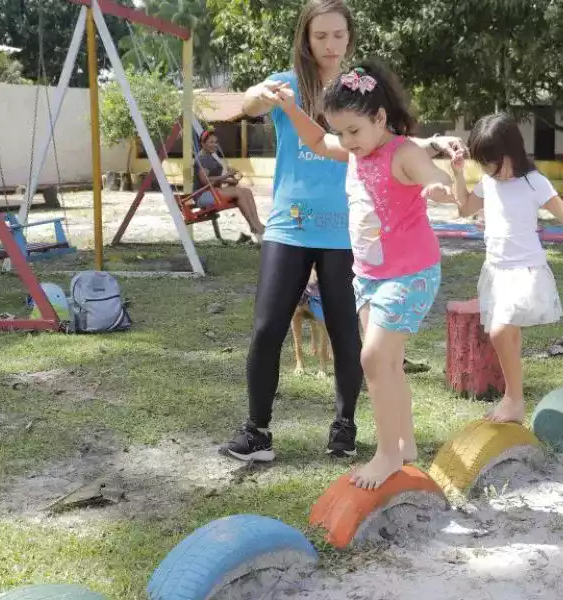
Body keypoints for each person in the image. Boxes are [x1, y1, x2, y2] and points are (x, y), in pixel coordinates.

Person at [224, 0, 467, 463]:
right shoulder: (288, 84)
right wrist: (262, 92)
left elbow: (396, 139)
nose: (330, 45)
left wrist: (435, 152)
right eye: (321, 36)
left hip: (349, 235)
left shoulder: (359, 90)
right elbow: (249, 106)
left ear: (349, 38)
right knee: (266, 327)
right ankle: (256, 432)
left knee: (349, 334)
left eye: (339, 36)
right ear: (305, 39)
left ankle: (345, 427)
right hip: (290, 225)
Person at [272, 60, 457, 489]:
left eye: (354, 131)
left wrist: (436, 185)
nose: (346, 141)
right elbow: (318, 142)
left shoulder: (402, 152)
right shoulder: (355, 150)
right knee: (387, 363)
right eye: (342, 132)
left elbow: (432, 173)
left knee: (372, 358)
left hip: (410, 274)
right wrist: (290, 107)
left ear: (379, 118)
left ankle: (388, 454)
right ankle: (406, 445)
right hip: (371, 276)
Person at [453, 113, 563, 423]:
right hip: (495, 271)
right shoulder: (489, 181)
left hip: (525, 270)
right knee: (507, 335)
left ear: (510, 154)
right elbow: (465, 207)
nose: (488, 171)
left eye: (492, 163)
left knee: (499, 331)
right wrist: (457, 175)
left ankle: (513, 399)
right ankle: (515, 399)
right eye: (482, 165)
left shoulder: (533, 181)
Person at [194, 130, 265, 243]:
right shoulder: (202, 158)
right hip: (203, 195)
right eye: (211, 142)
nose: (214, 144)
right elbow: (204, 181)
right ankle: (256, 226)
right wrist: (227, 175)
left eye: (216, 142)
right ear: (203, 143)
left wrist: (232, 180)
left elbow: (217, 182)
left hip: (214, 192)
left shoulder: (211, 157)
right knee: (240, 193)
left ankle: (255, 224)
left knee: (246, 191)